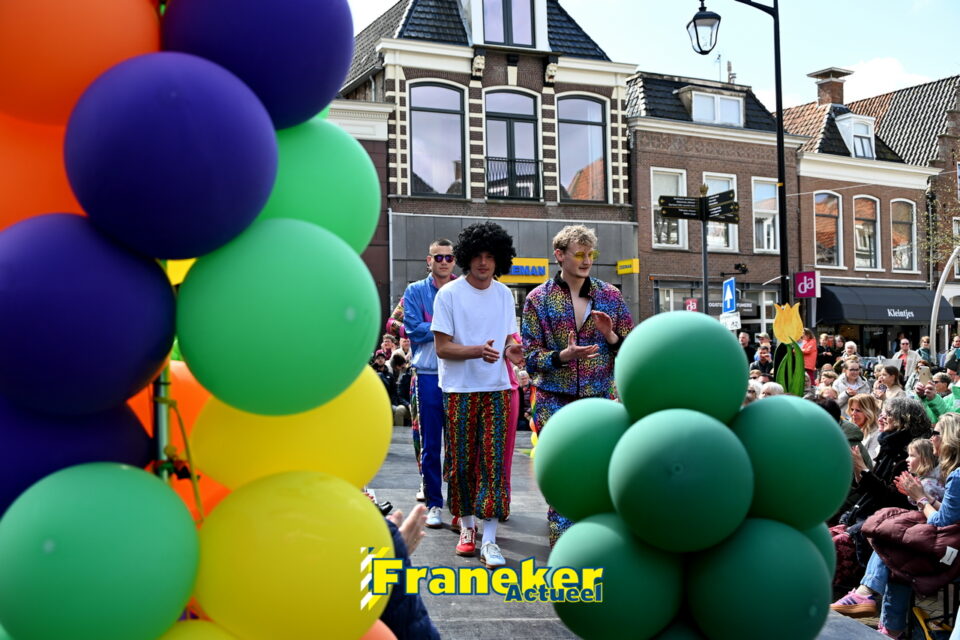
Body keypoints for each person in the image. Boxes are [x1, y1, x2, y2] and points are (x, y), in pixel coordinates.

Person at [521, 224, 633, 547]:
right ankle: (563, 536)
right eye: (579, 254)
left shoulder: (610, 295)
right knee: (561, 469)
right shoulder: (537, 299)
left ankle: (595, 533)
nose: (586, 261)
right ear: (560, 255)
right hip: (553, 400)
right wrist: (562, 356)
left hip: (599, 399)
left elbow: (631, 348)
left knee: (598, 468)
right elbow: (530, 357)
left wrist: (610, 335)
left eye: (590, 254)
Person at [432, 221, 523, 569]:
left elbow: (509, 340)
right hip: (460, 390)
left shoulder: (504, 294)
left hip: (498, 389)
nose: (484, 263)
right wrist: (476, 351)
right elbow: (442, 348)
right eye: (478, 256)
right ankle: (467, 526)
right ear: (467, 257)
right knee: (461, 462)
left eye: (490, 257)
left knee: (493, 462)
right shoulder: (449, 295)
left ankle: (489, 539)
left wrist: (513, 351)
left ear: (499, 259)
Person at [831, 416, 960, 638]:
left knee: (893, 543)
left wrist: (920, 498)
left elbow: (941, 522)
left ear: (949, 438)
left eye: (936, 433)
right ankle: (887, 623)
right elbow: (951, 513)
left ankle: (876, 606)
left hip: (951, 553)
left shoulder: (956, 475)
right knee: (896, 548)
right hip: (949, 544)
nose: (931, 438)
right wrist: (925, 498)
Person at [402, 238, 456, 527]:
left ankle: (460, 506)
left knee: (460, 445)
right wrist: (449, 328)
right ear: (429, 260)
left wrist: (432, 328)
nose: (444, 262)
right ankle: (435, 503)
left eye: (449, 257)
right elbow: (412, 329)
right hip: (428, 374)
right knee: (431, 443)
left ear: (454, 260)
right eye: (439, 257)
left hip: (460, 374)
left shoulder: (463, 289)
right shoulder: (414, 291)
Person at [848, 393, 881, 462]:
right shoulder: (847, 426)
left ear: (869, 412)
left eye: (858, 410)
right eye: (852, 409)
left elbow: (871, 462)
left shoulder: (877, 433)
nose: (853, 413)